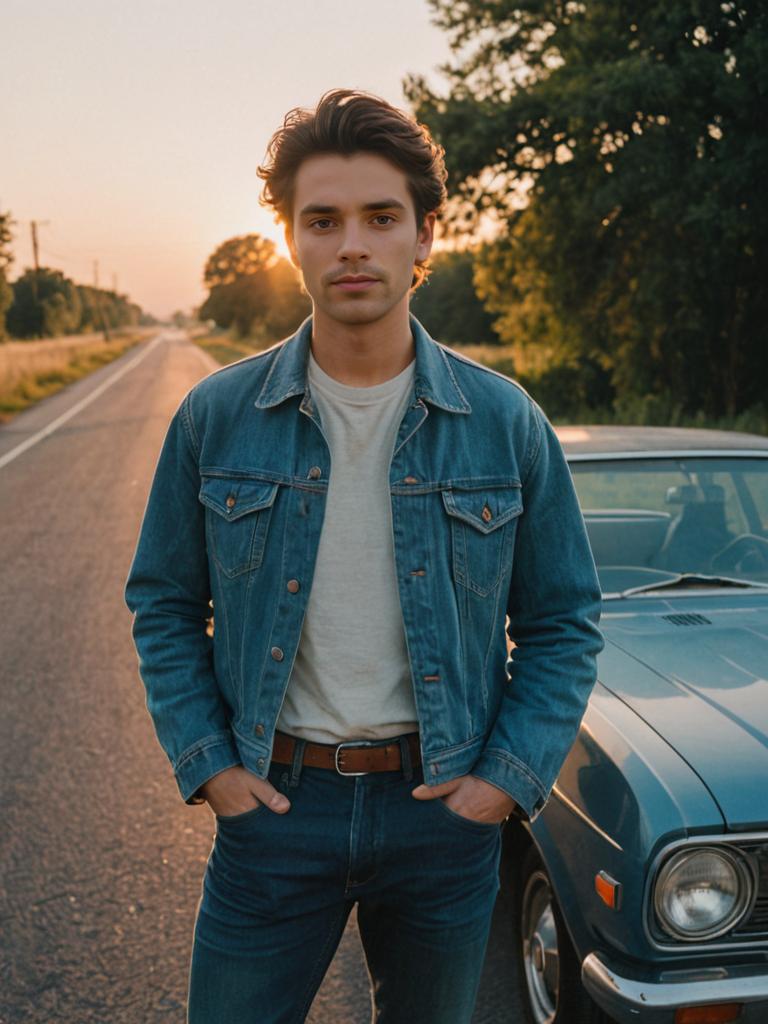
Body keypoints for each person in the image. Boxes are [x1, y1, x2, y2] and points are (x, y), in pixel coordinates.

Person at [124, 88, 604, 1024]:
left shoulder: (503, 422)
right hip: (273, 811)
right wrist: (212, 767)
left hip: (443, 811)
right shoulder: (215, 417)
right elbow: (164, 603)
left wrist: (501, 784)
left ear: (426, 236)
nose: (353, 244)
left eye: (381, 218)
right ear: (291, 241)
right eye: (324, 220)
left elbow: (563, 622)